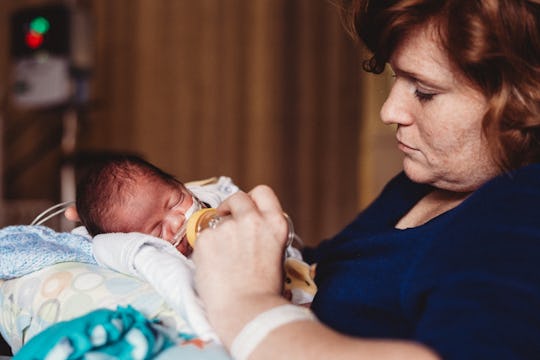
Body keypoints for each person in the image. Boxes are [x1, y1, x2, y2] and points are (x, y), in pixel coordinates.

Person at [185, 1, 540, 359]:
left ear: (527, 100)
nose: (390, 111)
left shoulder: (525, 208)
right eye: (396, 77)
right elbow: (331, 275)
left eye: (425, 92)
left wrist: (248, 305)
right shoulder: (427, 184)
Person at [66, 154, 238, 257]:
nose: (177, 221)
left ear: (180, 185)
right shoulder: (165, 263)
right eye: (158, 231)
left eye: (176, 201)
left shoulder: (221, 201)